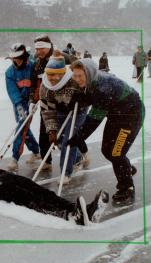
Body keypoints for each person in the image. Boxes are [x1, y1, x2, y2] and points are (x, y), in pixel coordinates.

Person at [0, 132, 109, 226]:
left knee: (40, 191)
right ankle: (68, 215)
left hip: (2, 176)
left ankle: (83, 211)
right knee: (29, 198)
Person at [68, 59, 144, 206]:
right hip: (116, 114)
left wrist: (79, 137)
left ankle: (127, 187)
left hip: (131, 115)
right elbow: (95, 97)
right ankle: (125, 169)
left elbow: (94, 119)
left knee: (116, 152)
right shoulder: (94, 79)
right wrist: (84, 98)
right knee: (106, 149)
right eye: (75, 76)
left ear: (88, 73)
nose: (77, 79)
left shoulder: (104, 88)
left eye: (80, 76)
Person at [39, 51, 90, 185]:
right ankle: (78, 158)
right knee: (60, 141)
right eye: (50, 74)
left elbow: (87, 91)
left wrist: (83, 99)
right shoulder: (45, 87)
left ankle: (65, 173)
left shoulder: (73, 80)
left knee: (69, 139)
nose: (53, 78)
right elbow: (47, 110)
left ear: (63, 73)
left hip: (78, 110)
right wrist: (51, 130)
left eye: (56, 74)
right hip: (60, 110)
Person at [30, 36, 76, 172]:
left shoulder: (63, 58)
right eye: (37, 49)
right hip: (47, 99)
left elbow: (78, 68)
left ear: (49, 47)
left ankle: (78, 156)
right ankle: (46, 160)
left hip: (64, 101)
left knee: (66, 133)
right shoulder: (37, 63)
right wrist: (33, 99)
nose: (39, 51)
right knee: (46, 130)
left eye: (41, 48)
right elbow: (34, 82)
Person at [5, 43, 40, 171]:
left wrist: (35, 100)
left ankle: (15, 158)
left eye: (19, 58)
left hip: (31, 101)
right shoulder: (9, 72)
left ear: (24, 57)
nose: (16, 61)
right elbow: (12, 91)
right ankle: (36, 151)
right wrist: (19, 105)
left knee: (22, 127)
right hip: (19, 103)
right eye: (14, 59)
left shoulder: (33, 67)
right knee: (23, 126)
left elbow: (37, 85)